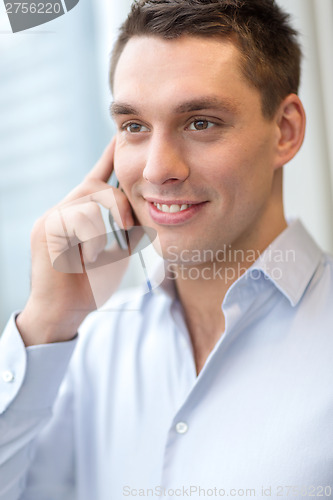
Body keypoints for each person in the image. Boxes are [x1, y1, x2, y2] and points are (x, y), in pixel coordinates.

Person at [1, 0, 332, 498]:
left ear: (284, 130)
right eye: (134, 126)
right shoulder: (85, 346)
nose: (157, 170)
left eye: (200, 122)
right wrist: (46, 320)